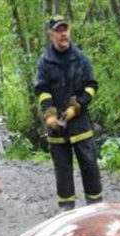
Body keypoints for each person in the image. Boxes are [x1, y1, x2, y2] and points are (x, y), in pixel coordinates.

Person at [34, 15, 102, 210]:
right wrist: (49, 114)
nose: (63, 33)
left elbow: (91, 86)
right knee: (62, 168)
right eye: (58, 30)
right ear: (50, 34)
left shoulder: (80, 58)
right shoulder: (44, 61)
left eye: (65, 29)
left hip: (80, 123)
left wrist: (77, 106)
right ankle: (66, 209)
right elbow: (41, 89)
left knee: (89, 164)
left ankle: (95, 205)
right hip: (57, 126)